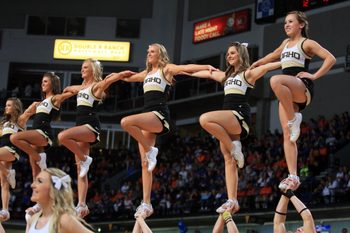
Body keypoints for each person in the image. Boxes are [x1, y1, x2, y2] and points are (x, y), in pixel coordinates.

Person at [106, 43, 218, 219]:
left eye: (153, 52)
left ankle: (151, 150)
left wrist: (205, 66)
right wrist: (117, 76)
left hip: (158, 115)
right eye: (148, 51)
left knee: (126, 122)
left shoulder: (166, 69)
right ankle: (146, 203)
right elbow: (129, 78)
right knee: (145, 163)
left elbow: (185, 68)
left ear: (160, 55)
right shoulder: (146, 74)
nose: (149, 54)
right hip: (146, 116)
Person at [188, 42, 280, 214]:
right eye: (227, 54)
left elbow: (268, 66)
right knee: (229, 160)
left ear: (241, 55)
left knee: (205, 119)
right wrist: (182, 72)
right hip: (227, 119)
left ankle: (234, 147)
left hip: (239, 117)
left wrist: (290, 61)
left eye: (232, 53)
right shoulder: (225, 76)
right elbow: (207, 73)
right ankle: (232, 200)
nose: (228, 56)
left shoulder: (248, 74)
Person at [251, 11, 336, 190]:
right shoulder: (285, 43)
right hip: (286, 92)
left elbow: (331, 58)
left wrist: (314, 75)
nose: (286, 25)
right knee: (288, 135)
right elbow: (274, 55)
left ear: (301, 25)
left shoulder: (307, 43)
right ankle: (293, 176)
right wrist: (257, 63)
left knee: (274, 80)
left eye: (290, 22)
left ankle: (293, 119)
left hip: (301, 85)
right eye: (285, 22)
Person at [57, 58, 135, 218]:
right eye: (81, 67)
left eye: (85, 67)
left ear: (93, 70)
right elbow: (72, 88)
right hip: (80, 127)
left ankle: (85, 159)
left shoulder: (96, 87)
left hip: (90, 126)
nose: (82, 70)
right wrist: (67, 90)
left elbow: (108, 80)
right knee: (80, 171)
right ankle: (82, 204)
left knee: (62, 136)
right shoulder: (81, 87)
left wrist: (120, 74)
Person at [11, 72, 75, 180]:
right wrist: (28, 111)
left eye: (45, 81)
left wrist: (72, 88)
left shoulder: (55, 98)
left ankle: (40, 158)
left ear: (53, 84)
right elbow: (20, 121)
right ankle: (44, 191)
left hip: (43, 133)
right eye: (42, 82)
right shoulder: (39, 103)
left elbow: (72, 93)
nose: (42, 84)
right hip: (35, 134)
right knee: (36, 173)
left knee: (14, 138)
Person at [0, 98, 37, 221]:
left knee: (5, 177)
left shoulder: (20, 120)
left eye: (9, 105)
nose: (6, 107)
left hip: (11, 150)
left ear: (15, 107)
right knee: (4, 183)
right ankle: (5, 210)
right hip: (2, 152)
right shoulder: (4, 123)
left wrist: (42, 103)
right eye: (6, 105)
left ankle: (8, 172)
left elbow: (29, 111)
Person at [26, 167, 93, 233]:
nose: (32, 185)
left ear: (53, 190)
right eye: (35, 181)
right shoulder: (33, 219)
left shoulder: (63, 220)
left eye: (40, 181)